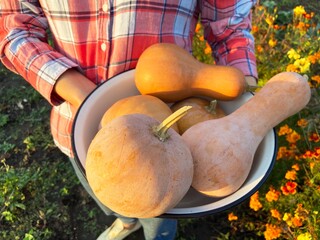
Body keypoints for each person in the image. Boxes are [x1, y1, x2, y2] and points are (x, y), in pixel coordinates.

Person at [0, 1, 258, 239]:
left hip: (177, 135)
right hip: (78, 128)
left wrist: (250, 106)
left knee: (159, 211)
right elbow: (14, 27)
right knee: (108, 194)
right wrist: (90, 99)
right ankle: (126, 220)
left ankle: (157, 233)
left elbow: (230, 28)